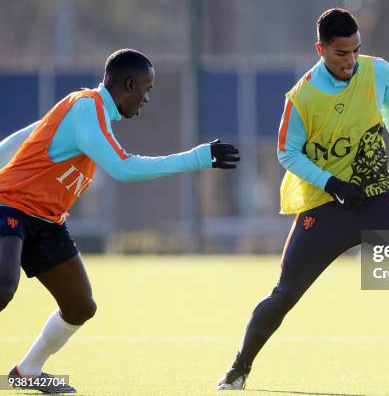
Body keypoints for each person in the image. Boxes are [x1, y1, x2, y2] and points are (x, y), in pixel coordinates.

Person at [217, 8, 389, 391]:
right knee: (284, 294)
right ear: (320, 50)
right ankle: (239, 367)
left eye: (355, 51)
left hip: (374, 198)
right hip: (324, 207)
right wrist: (332, 184)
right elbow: (287, 152)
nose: (350, 60)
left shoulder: (378, 71)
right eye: (340, 53)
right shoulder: (302, 97)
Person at [0, 48, 239, 394]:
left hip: (47, 220)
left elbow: (25, 137)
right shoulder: (86, 107)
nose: (146, 98)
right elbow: (123, 168)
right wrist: (198, 158)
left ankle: (27, 370)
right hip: (9, 205)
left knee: (80, 306)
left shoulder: (87, 109)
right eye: (147, 88)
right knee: (3, 287)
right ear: (128, 84)